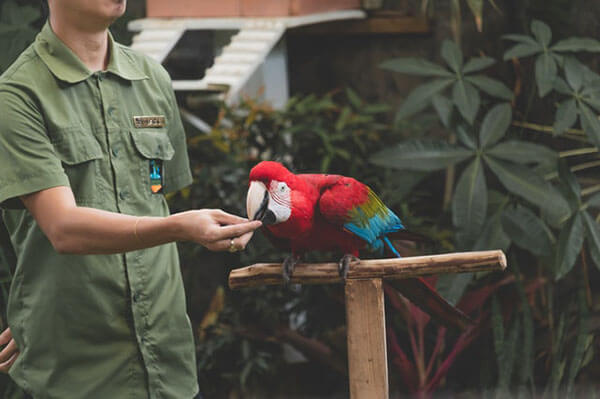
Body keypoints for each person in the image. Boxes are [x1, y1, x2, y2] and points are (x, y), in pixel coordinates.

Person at [0, 0, 262, 397]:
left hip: (167, 361)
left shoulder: (151, 78)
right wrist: (181, 227)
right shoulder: (17, 95)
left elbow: (153, 202)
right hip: (78, 371)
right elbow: (64, 229)